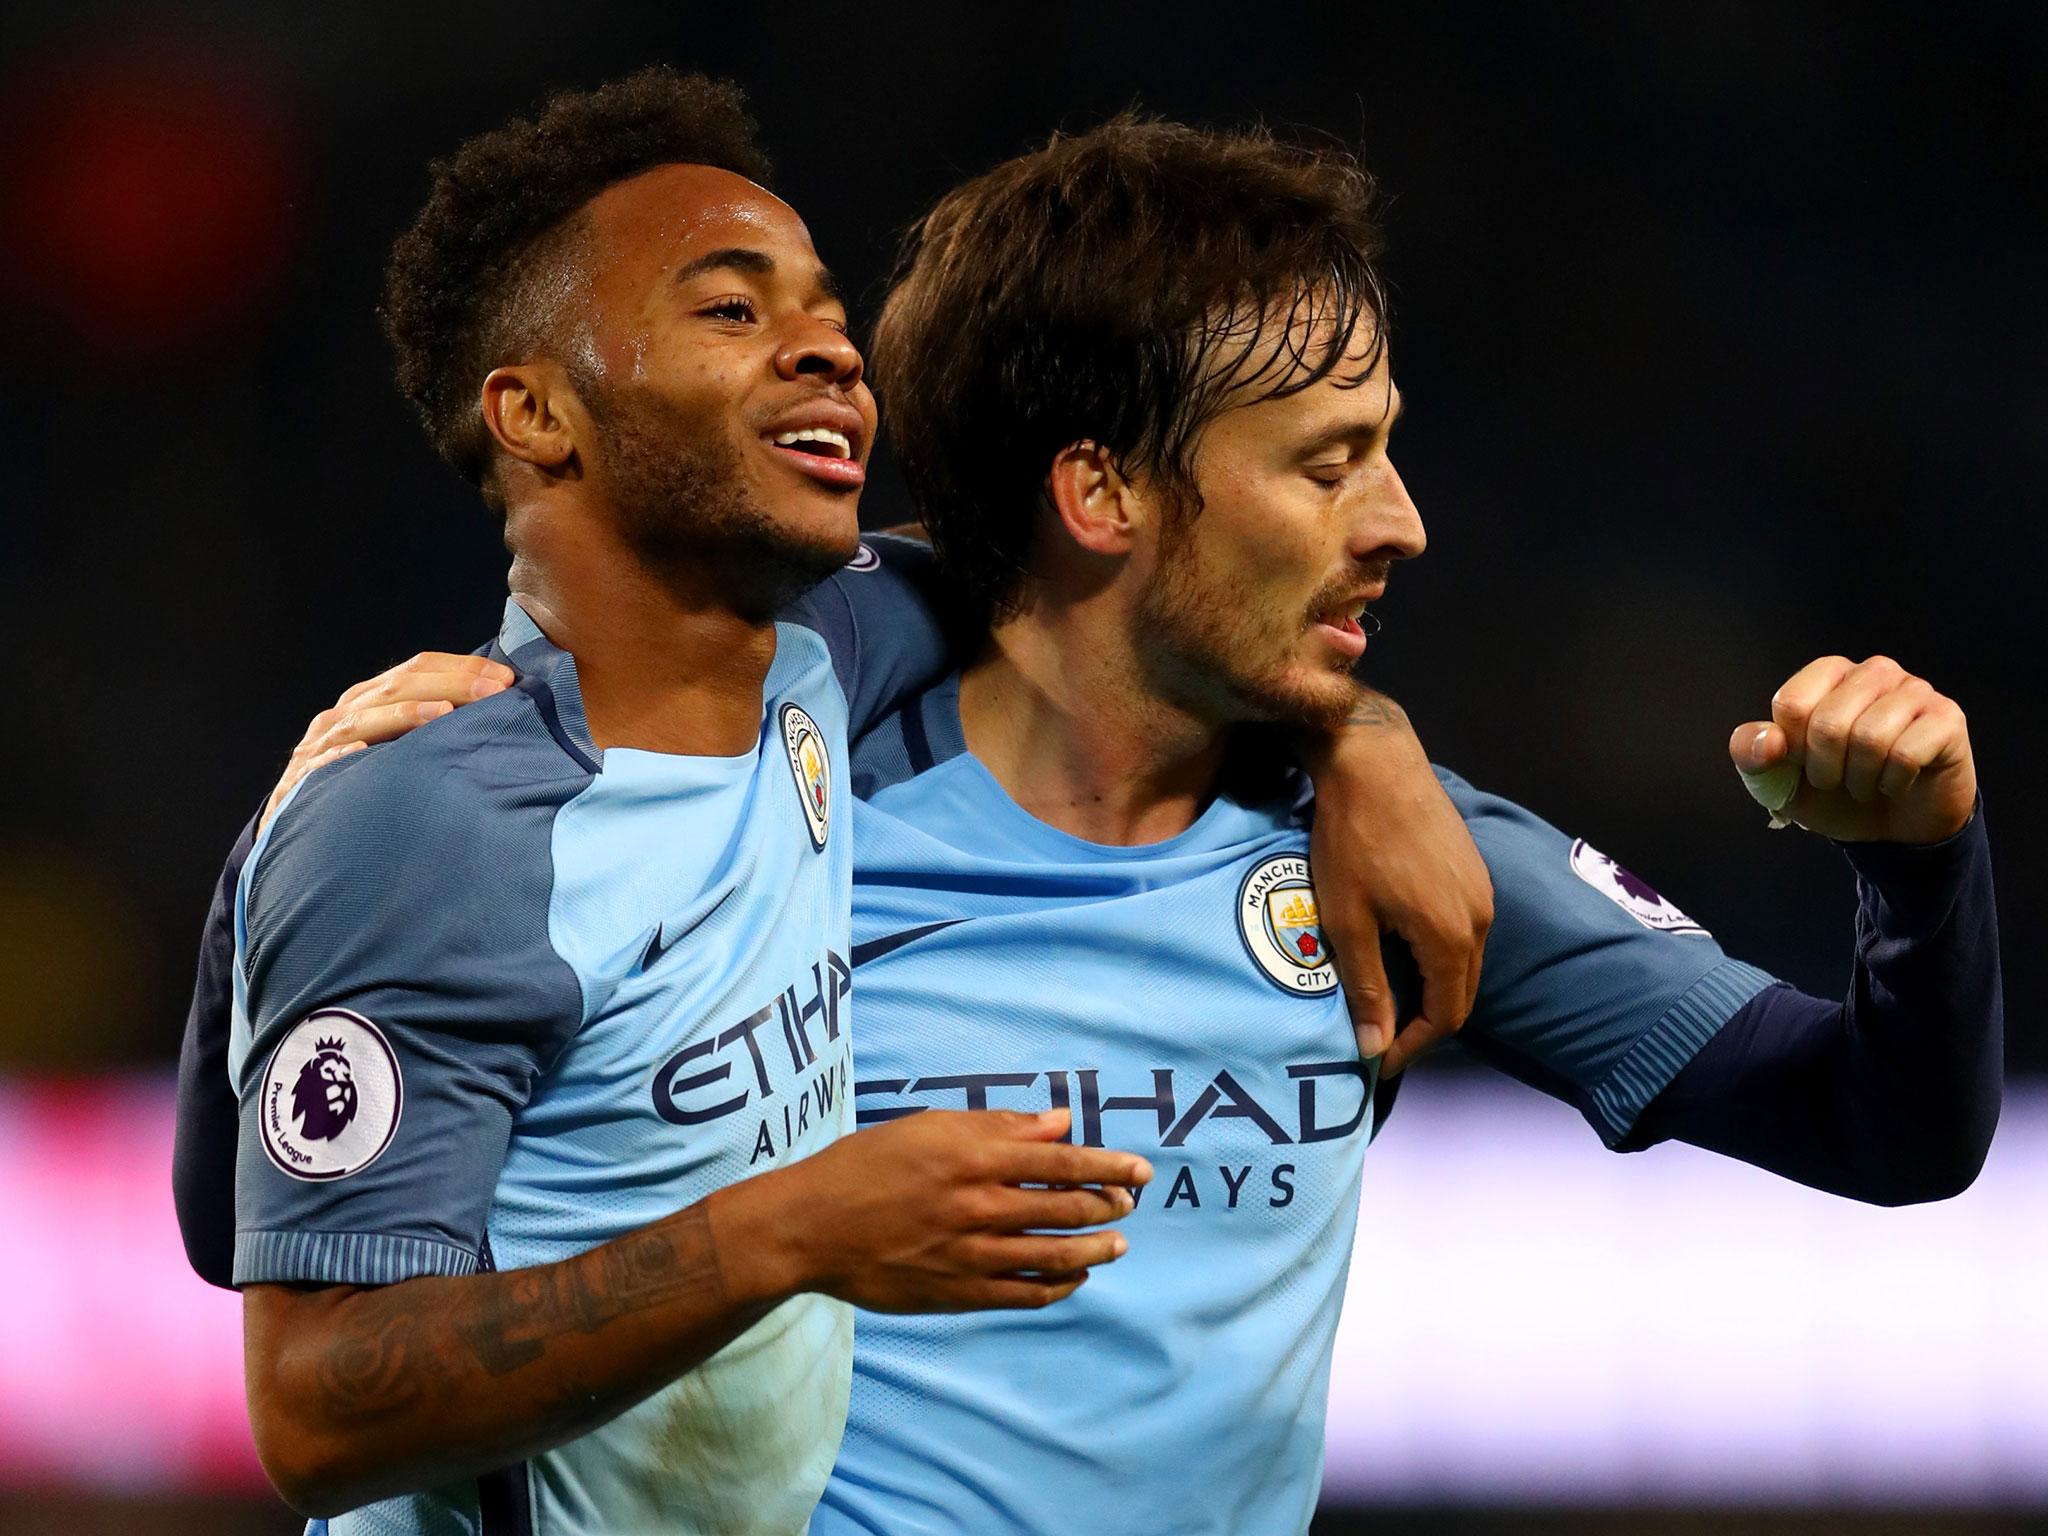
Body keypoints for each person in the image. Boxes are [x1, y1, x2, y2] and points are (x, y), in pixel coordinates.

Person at [192, 116, 2001, 1535]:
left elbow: (1885, 1129)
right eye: (1325, 459)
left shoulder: (1385, 844)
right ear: (1102, 490)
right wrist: (320, 821)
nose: (1405, 522)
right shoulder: (772, 763)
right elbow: (299, 1232)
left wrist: (1916, 866)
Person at [172, 77, 1492, 1536]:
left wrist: (1365, 735)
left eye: (824, 310)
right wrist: (791, 1232)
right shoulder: (440, 830)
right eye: (732, 312)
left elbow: (1166, 602)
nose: (830, 351)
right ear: (538, 412)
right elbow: (315, 1408)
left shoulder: (829, 653)